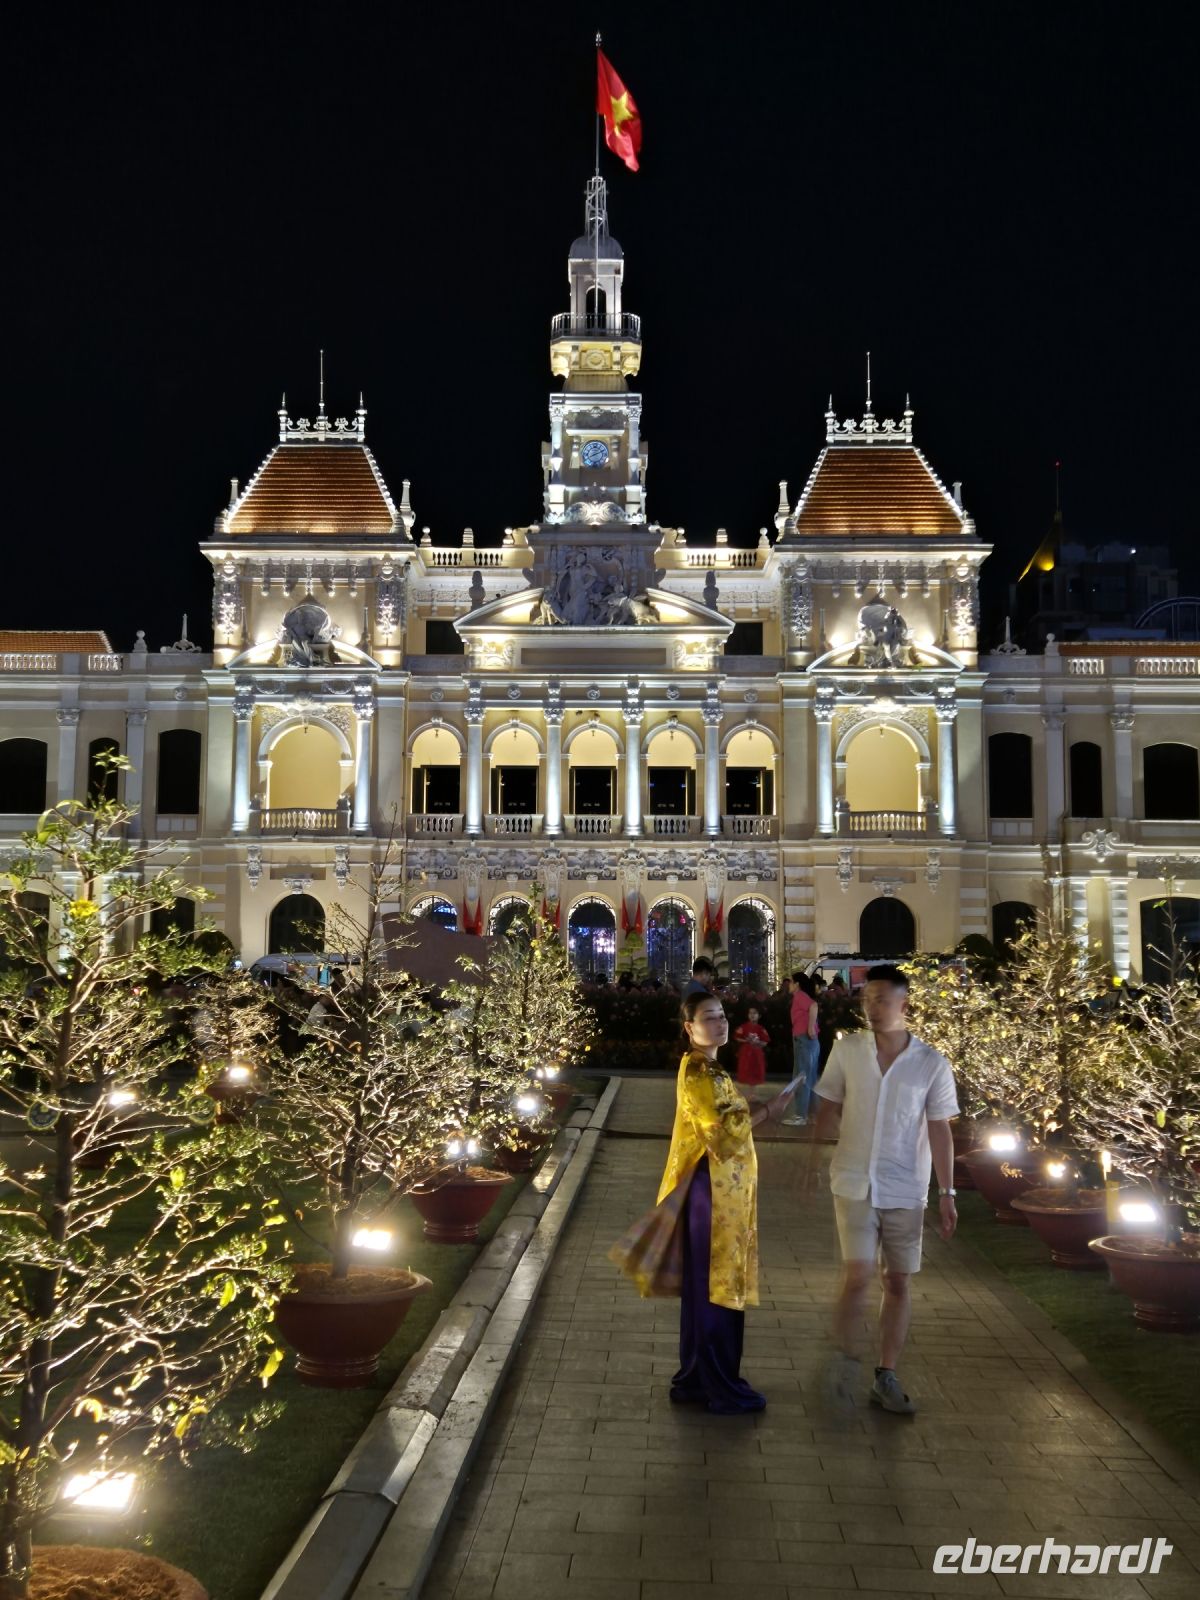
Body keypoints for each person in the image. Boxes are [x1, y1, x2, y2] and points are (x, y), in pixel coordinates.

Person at [609, 992, 792, 1413]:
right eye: (708, 1017)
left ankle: (697, 1377)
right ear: (689, 1028)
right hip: (711, 1195)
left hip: (718, 1193)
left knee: (707, 1288)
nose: (720, 1023)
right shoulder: (698, 1071)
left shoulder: (708, 1067)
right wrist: (770, 1111)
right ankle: (717, 1383)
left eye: (722, 1015)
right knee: (716, 1289)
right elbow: (722, 1133)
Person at [807, 963, 959, 1414]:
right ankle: (842, 1361)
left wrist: (948, 1193)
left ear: (904, 1003)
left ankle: (885, 1373)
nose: (871, 1007)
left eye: (881, 999)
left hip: (905, 1187)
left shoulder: (931, 1063)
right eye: (866, 999)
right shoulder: (848, 1051)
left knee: (897, 1282)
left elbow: (940, 1130)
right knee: (857, 1276)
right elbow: (827, 1106)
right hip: (853, 1181)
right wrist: (811, 1155)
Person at [782, 971, 820, 1125]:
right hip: (807, 1040)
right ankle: (811, 1115)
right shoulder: (800, 996)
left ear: (797, 984)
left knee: (801, 1077)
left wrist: (810, 1027)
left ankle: (800, 1116)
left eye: (791, 982)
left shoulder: (799, 996)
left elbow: (813, 1006)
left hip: (804, 1040)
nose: (788, 985)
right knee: (809, 1077)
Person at [733, 1006, 770, 1086]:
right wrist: (746, 1041)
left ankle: (753, 1093)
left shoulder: (761, 1028)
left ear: (759, 1015)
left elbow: (765, 1041)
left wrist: (758, 1042)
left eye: (755, 1013)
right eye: (750, 1013)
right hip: (746, 1053)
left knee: (756, 1071)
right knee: (745, 1070)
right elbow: (737, 1037)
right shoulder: (743, 1026)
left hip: (756, 1053)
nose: (752, 1015)